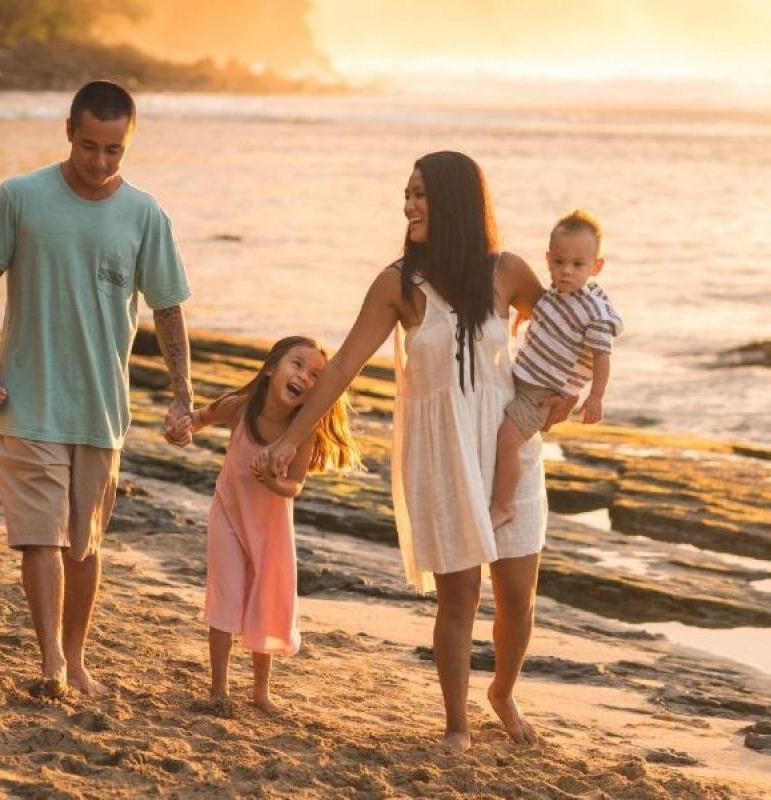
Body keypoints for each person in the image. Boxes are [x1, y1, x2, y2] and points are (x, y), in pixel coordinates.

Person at [254, 152, 574, 750]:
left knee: (517, 599)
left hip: (509, 450)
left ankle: (502, 691)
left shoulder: (506, 271)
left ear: (454, 200)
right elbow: (344, 365)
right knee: (459, 597)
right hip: (443, 457)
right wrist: (290, 440)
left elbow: (563, 324)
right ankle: (456, 724)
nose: (409, 205)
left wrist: (562, 395)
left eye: (421, 194)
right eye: (407, 193)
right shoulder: (397, 284)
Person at [0, 80, 193, 698]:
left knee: (84, 547)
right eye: (90, 146)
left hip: (100, 407)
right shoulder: (21, 197)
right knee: (42, 537)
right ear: (68, 131)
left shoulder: (145, 214)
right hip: (25, 400)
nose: (99, 162)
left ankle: (78, 657)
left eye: (114, 150)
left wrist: (183, 395)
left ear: (129, 143)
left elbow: (168, 310)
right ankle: (51, 664)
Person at [178, 336, 361, 713]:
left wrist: (273, 482)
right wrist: (182, 428)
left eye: (315, 376)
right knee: (225, 600)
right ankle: (219, 690)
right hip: (228, 516)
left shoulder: (301, 431)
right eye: (297, 365)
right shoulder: (241, 408)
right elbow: (201, 418)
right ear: (270, 368)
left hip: (271, 533)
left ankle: (260, 692)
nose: (304, 378)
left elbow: (294, 486)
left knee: (265, 604)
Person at [489, 210, 623, 529]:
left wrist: (595, 397)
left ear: (596, 267)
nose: (566, 271)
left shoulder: (594, 313)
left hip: (541, 394)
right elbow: (549, 314)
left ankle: (503, 506)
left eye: (578, 265)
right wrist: (530, 317)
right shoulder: (556, 292)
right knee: (498, 437)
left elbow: (602, 356)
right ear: (548, 259)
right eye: (559, 262)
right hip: (521, 379)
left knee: (506, 443)